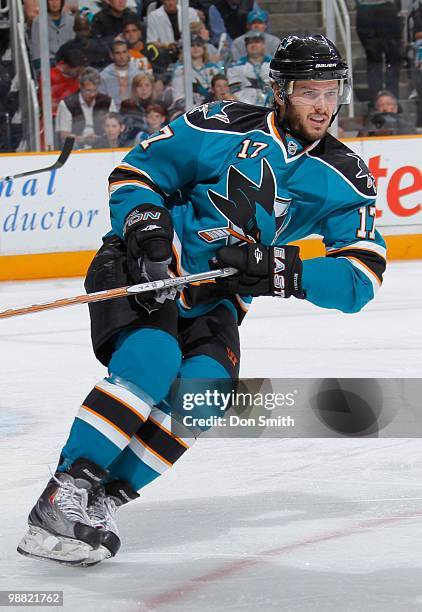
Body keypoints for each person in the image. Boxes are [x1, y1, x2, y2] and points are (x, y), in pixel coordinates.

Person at [18, 34, 386, 567]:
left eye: (332, 90)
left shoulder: (343, 174)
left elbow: (361, 276)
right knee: (155, 359)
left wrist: (271, 270)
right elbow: (136, 174)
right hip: (144, 267)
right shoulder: (220, 123)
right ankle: (65, 489)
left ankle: (102, 498)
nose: (324, 105)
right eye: (309, 91)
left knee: (207, 393)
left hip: (216, 297)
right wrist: (146, 233)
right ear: (280, 91)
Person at [56, 67, 116, 147]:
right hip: (76, 146)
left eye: (95, 90)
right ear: (80, 86)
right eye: (88, 90)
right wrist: (83, 139)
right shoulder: (67, 104)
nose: (92, 94)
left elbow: (116, 128)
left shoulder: (107, 102)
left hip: (102, 144)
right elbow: (64, 135)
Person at [356, 0, 402, 102]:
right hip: (387, 10)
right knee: (392, 60)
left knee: (373, 61)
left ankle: (376, 102)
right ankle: (392, 102)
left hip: (365, 11)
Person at [171, 34, 221, 106]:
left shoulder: (213, 68)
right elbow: (178, 97)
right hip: (190, 108)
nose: (195, 48)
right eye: (192, 45)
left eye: (199, 45)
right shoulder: (179, 69)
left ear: (204, 49)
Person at [227, 30, 272, 105]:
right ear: (246, 46)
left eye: (257, 42)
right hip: (246, 108)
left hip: (271, 106)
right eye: (250, 43)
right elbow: (234, 92)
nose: (253, 45)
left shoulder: (274, 65)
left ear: (263, 45)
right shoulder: (235, 67)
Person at [30, 0, 75, 69]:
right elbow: (37, 54)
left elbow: (75, 47)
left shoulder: (71, 20)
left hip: (69, 63)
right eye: (51, 0)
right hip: (48, 65)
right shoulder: (38, 22)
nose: (54, 2)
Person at [99, 39, 142, 109]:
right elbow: (101, 101)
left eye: (124, 52)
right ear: (111, 55)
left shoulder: (139, 74)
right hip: (111, 114)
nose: (121, 56)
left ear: (129, 53)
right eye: (117, 53)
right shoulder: (103, 76)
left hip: (135, 112)